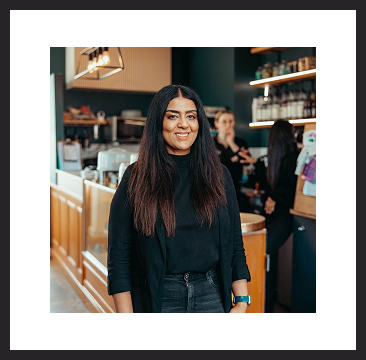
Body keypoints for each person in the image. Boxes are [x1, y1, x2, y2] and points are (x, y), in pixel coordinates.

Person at [107, 85, 251, 313]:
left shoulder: (219, 175)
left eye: (191, 116)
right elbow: (119, 257)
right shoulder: (135, 178)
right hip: (160, 296)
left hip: (211, 295)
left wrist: (242, 301)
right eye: (173, 116)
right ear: (158, 122)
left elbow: (234, 243)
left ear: (199, 123)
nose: (183, 124)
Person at [238, 120, 299, 312]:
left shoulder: (293, 157)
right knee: (265, 256)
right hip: (276, 215)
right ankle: (265, 303)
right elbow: (269, 187)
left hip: (286, 217)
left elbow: (291, 191)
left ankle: (265, 303)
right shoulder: (280, 158)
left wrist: (273, 196)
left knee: (264, 253)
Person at [212, 110, 249, 211]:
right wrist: (234, 159)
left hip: (236, 188)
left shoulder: (240, 142)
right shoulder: (210, 143)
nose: (228, 125)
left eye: (231, 121)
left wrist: (231, 143)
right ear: (216, 123)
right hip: (215, 190)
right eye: (224, 121)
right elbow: (214, 165)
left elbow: (247, 160)